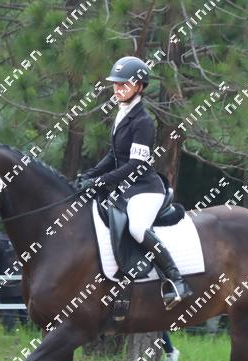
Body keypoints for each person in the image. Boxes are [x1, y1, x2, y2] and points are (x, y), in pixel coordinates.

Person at [76, 56, 193, 310]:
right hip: (126, 188)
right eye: (116, 84)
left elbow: (136, 165)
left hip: (145, 189)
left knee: (137, 228)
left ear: (139, 86)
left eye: (124, 84)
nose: (118, 89)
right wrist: (89, 175)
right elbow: (113, 156)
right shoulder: (122, 114)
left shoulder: (143, 122)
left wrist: (100, 181)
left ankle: (177, 280)